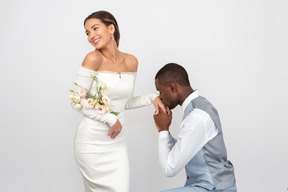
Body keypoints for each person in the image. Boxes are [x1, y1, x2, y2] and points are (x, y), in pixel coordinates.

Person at [71, 11, 165, 192]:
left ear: (111, 28)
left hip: (116, 143)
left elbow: (123, 102)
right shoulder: (93, 58)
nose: (91, 36)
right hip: (91, 142)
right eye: (87, 32)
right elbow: (77, 101)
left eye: (94, 28)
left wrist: (152, 97)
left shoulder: (131, 61)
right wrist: (111, 119)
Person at [153, 63, 236, 192]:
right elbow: (186, 148)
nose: (160, 97)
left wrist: (163, 131)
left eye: (160, 91)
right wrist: (164, 130)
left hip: (215, 188)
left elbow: (169, 169)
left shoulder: (196, 117)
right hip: (205, 186)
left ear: (172, 88)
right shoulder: (198, 107)